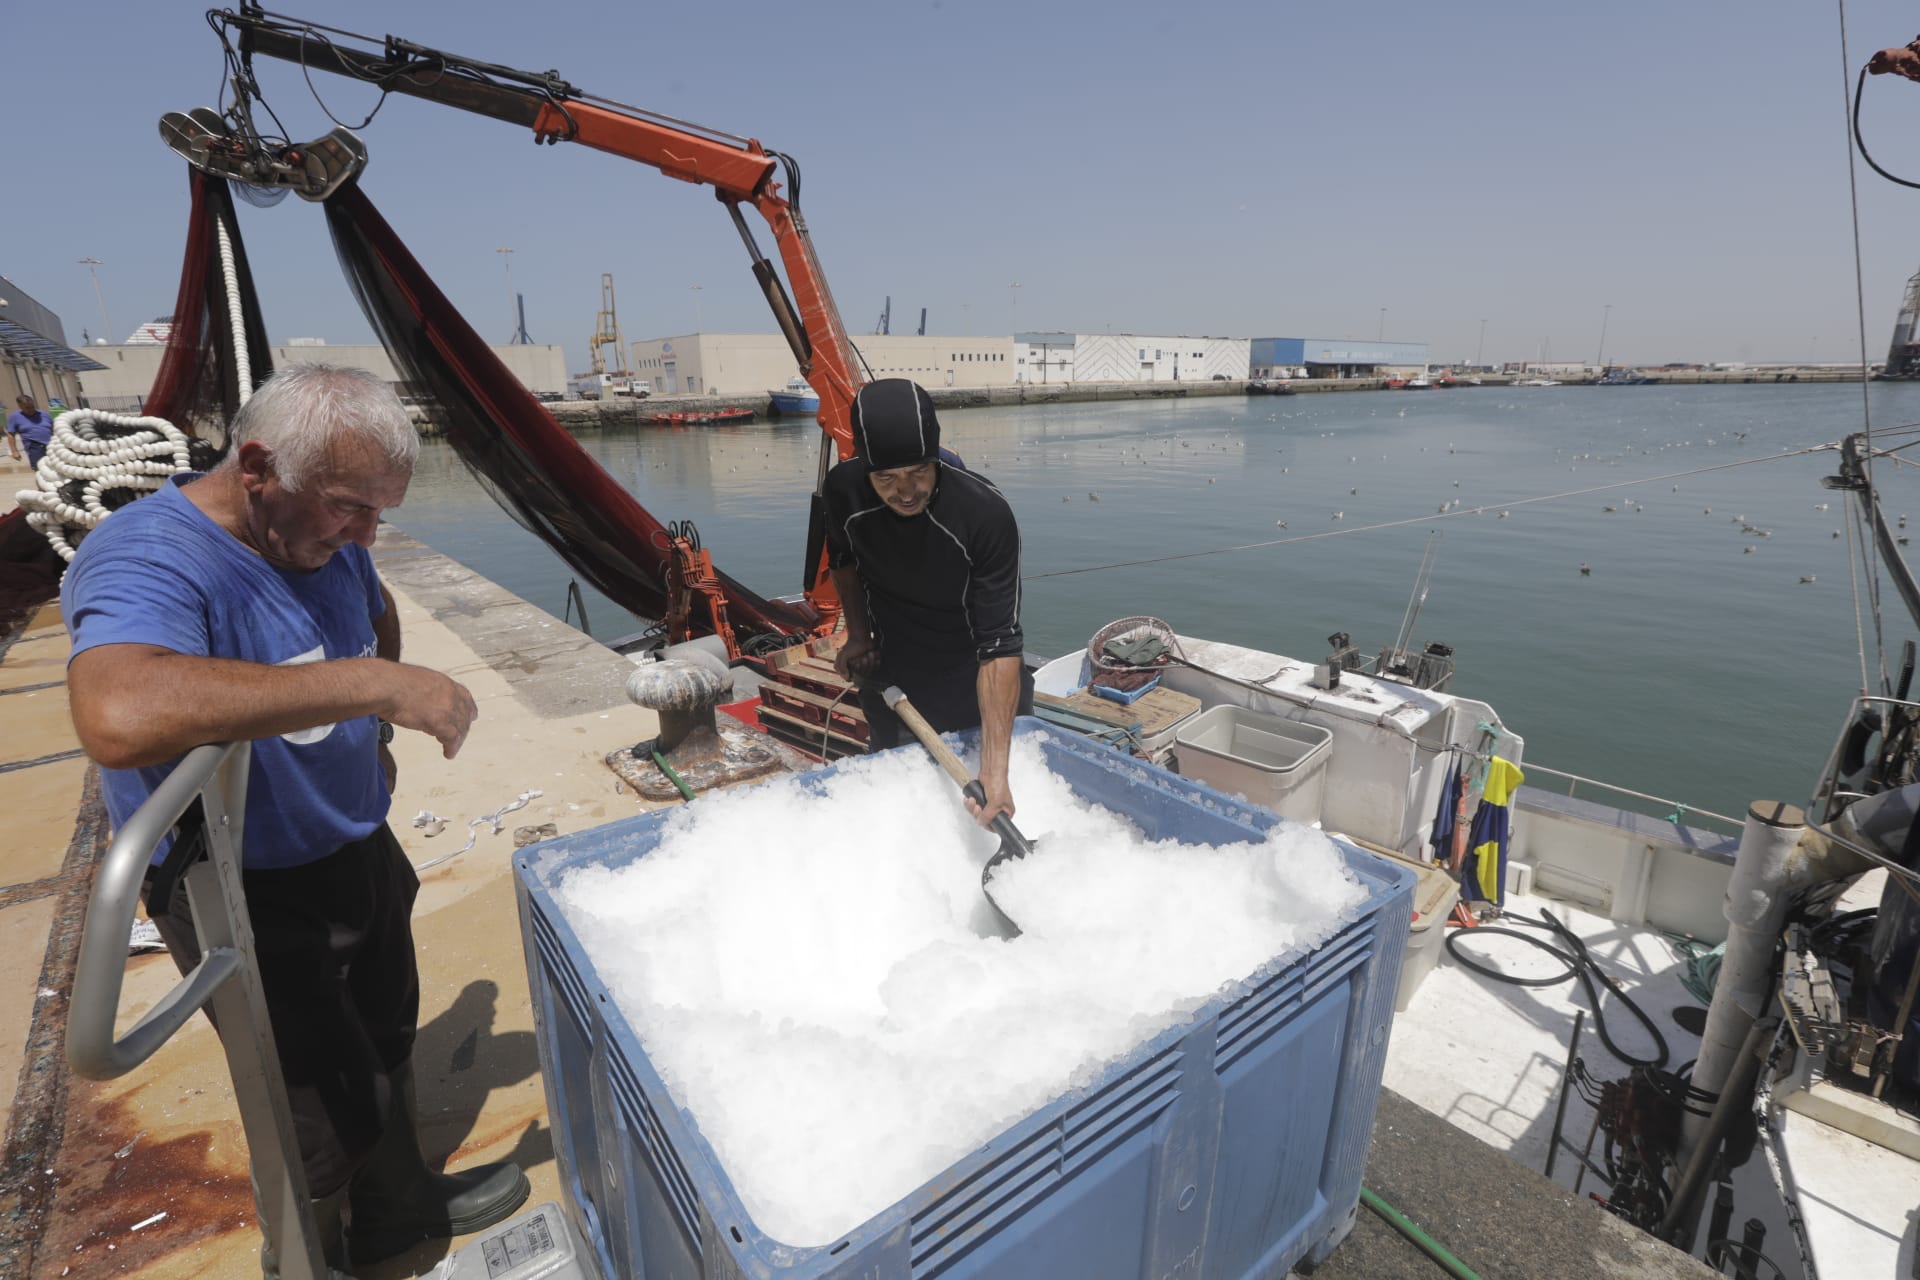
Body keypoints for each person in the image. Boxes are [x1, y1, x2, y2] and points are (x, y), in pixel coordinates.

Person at [62, 364, 528, 1275]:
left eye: (379, 512)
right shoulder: (148, 552)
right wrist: (376, 686)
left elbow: (372, 609)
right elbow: (115, 711)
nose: (366, 534)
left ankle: (400, 1211)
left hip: (353, 843)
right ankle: (311, 1254)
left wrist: (374, 734)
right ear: (258, 465)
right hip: (239, 881)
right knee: (310, 1102)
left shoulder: (328, 538)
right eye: (349, 507)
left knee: (388, 1030)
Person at [823, 378, 1032, 825]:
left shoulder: (984, 513)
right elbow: (843, 561)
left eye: (919, 471)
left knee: (1007, 795)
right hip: (895, 676)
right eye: (887, 477)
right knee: (908, 812)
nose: (905, 491)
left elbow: (1000, 645)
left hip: (974, 673)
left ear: (936, 456)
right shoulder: (843, 492)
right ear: (863, 467)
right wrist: (859, 636)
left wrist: (995, 771)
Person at [7, 393, 54, 469]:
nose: (30, 410)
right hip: (34, 447)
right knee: (40, 470)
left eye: (32, 407)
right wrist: (14, 451)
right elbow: (11, 435)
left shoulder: (44, 414)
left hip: (51, 445)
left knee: (56, 468)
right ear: (20, 406)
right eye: (27, 408)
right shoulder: (15, 417)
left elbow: (54, 429)